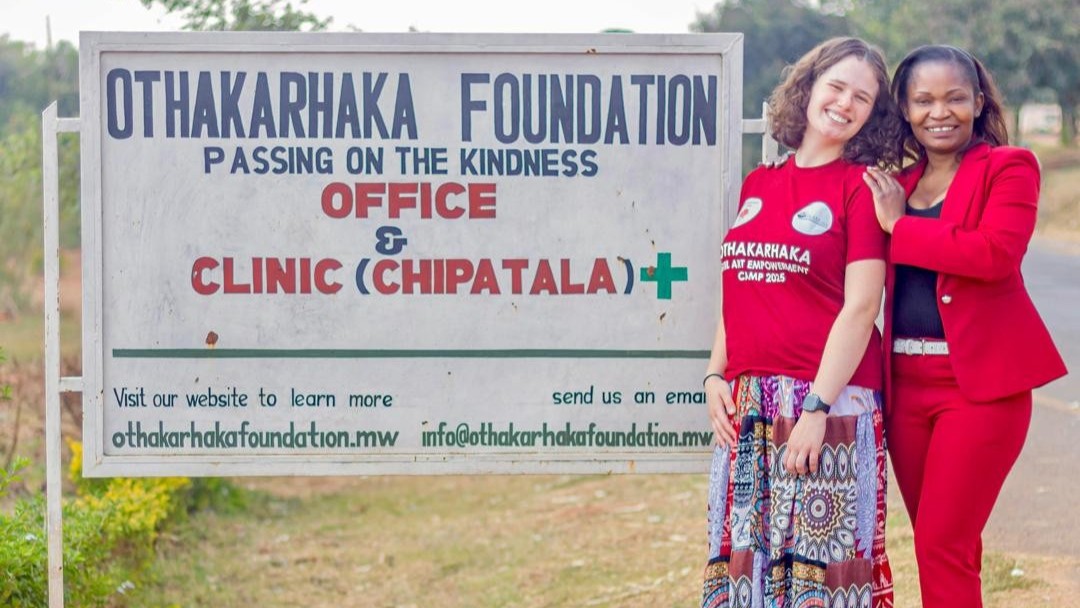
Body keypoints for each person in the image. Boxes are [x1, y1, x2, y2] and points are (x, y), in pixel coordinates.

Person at [862, 45, 1067, 608]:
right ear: (904, 107)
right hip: (903, 389)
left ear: (978, 102)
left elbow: (994, 254)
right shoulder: (894, 185)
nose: (940, 111)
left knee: (940, 541)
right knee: (947, 543)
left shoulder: (1010, 167)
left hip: (980, 389)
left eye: (955, 97)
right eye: (923, 99)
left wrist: (900, 229)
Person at [701, 37, 899, 608]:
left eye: (862, 98)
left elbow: (861, 307)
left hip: (829, 404)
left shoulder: (860, 189)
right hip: (753, 400)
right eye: (836, 87)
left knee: (823, 573)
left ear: (872, 113)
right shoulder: (758, 184)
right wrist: (716, 375)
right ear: (809, 86)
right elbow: (739, 288)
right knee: (748, 566)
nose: (845, 103)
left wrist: (817, 408)